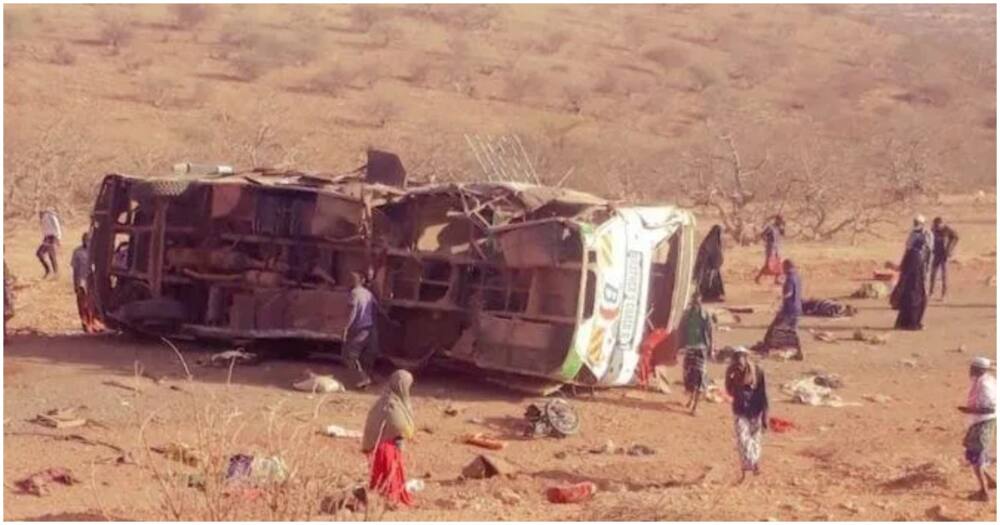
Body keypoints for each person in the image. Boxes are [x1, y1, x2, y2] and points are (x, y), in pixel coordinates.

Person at [361, 369, 416, 507]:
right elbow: (399, 425)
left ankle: (384, 498)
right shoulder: (390, 404)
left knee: (390, 473)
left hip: (382, 444)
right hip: (382, 447)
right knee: (389, 474)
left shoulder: (391, 400)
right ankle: (390, 499)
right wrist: (404, 435)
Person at [725, 347, 768, 482]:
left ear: (746, 357)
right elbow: (730, 392)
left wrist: (765, 416)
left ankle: (754, 464)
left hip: (755, 409)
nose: (739, 361)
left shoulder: (757, 371)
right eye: (736, 358)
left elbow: (764, 394)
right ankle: (745, 469)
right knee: (743, 441)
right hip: (740, 410)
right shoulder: (732, 372)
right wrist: (730, 377)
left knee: (755, 439)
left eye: (741, 357)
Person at [958, 357, 996, 502]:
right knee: (974, 454)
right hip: (979, 423)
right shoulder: (984, 381)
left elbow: (990, 408)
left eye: (973, 368)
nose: (970, 371)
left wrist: (969, 410)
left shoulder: (985, 385)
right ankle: (991, 482)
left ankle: (983, 492)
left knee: (975, 456)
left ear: (979, 369)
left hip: (982, 422)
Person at [760, 259, 803, 359]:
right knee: (792, 331)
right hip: (797, 308)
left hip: (789, 310)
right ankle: (796, 351)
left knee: (774, 329)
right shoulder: (797, 277)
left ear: (786, 267)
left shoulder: (790, 278)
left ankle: (769, 346)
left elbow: (789, 293)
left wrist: (780, 298)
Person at [343, 271, 379, 389]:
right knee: (366, 356)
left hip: (358, 329)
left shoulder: (353, 293)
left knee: (350, 356)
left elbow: (352, 313)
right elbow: (377, 308)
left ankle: (363, 379)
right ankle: (368, 379)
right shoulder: (368, 293)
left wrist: (346, 328)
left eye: (352, 278)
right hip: (369, 329)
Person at [681, 294, 713, 415]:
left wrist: (711, 348)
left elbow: (710, 332)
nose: (696, 304)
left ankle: (695, 406)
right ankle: (691, 399)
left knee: (700, 377)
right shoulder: (687, 314)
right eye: (694, 302)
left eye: (698, 302)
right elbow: (682, 330)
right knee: (689, 377)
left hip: (701, 349)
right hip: (690, 348)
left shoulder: (705, 315)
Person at [892, 233, 929, 330]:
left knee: (910, 303)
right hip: (913, 284)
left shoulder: (913, 254)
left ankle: (904, 324)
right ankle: (912, 324)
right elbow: (908, 271)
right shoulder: (914, 255)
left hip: (912, 284)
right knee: (915, 303)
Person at [70, 233, 102, 333]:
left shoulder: (96, 252)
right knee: (82, 303)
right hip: (82, 280)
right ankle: (85, 323)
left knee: (93, 303)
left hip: (92, 280)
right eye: (86, 239)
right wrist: (75, 283)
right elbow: (75, 269)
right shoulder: (77, 252)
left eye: (89, 240)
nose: (87, 241)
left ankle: (94, 323)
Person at [929, 217, 959, 300]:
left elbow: (956, 237)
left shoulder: (947, 230)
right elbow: (930, 239)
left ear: (942, 224)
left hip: (944, 255)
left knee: (944, 275)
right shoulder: (933, 230)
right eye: (935, 225)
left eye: (938, 225)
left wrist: (950, 248)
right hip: (936, 254)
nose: (937, 227)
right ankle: (931, 293)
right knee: (933, 274)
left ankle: (944, 294)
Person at [693, 225, 725, 302]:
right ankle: (707, 296)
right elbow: (706, 255)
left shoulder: (712, 242)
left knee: (713, 281)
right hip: (707, 267)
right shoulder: (710, 243)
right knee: (709, 281)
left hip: (711, 267)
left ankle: (711, 296)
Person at [754, 215, 785, 285]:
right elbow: (762, 235)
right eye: (780, 221)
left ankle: (777, 280)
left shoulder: (778, 228)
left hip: (777, 248)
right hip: (771, 249)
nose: (780, 222)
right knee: (769, 265)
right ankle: (758, 277)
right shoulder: (770, 227)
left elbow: (783, 234)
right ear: (776, 220)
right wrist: (767, 242)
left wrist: (783, 227)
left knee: (778, 264)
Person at [36, 208, 62, 278]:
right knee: (39, 253)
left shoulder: (50, 216)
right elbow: (45, 230)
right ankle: (48, 271)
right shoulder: (42, 219)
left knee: (51, 255)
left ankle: (55, 273)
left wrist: (58, 238)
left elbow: (57, 226)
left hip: (53, 237)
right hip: (47, 238)